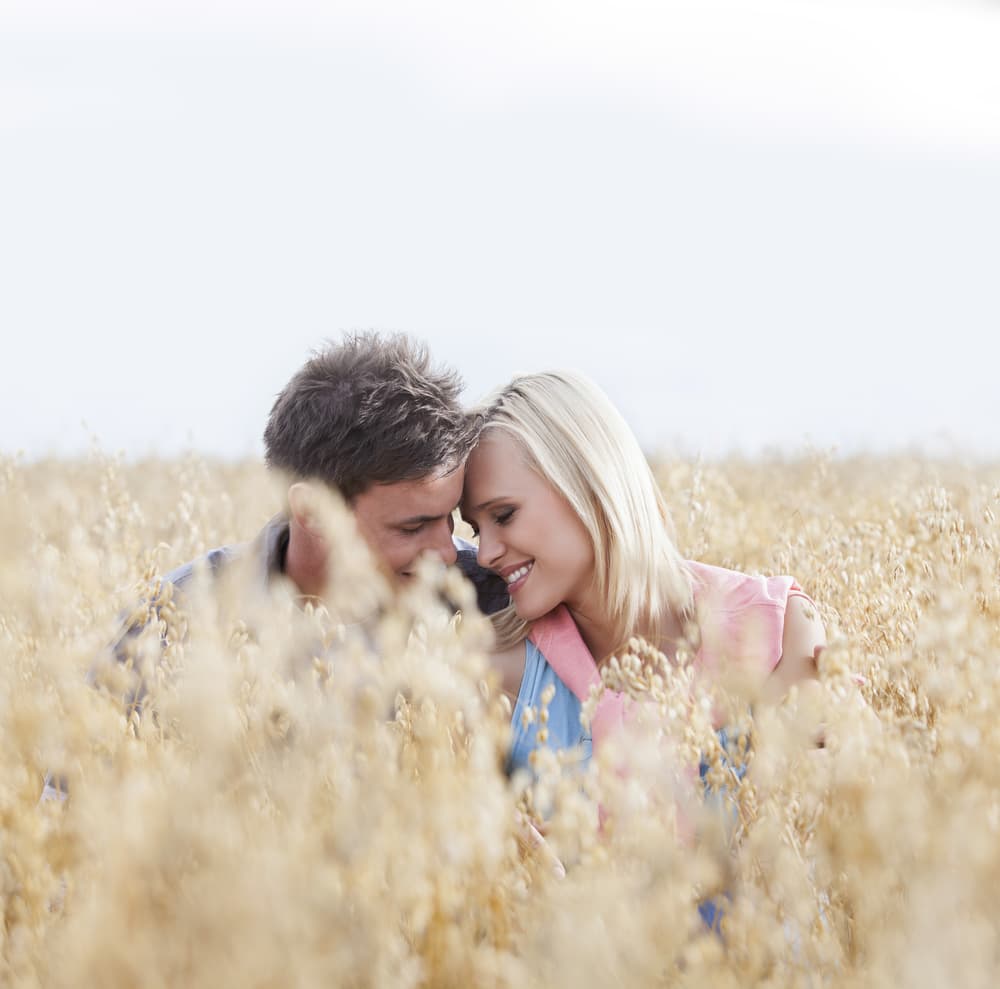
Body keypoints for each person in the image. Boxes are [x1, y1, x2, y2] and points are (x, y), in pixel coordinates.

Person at [42, 333, 509, 801]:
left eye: (449, 519)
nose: (448, 553)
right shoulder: (169, 624)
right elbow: (68, 825)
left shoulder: (489, 595)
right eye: (413, 527)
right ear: (310, 512)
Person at [460, 370, 826, 778]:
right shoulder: (498, 671)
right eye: (477, 530)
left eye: (504, 515)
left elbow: (814, 814)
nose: (487, 553)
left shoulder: (778, 627)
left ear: (587, 481)